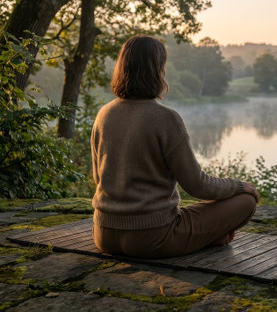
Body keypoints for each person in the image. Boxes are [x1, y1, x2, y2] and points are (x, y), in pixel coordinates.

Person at [91, 35, 258, 258]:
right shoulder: (165, 118)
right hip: (153, 238)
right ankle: (204, 238)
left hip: (103, 234)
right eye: (162, 66)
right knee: (246, 202)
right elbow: (197, 185)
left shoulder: (104, 114)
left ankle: (205, 237)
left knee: (190, 213)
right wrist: (239, 186)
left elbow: (98, 177)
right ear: (157, 69)